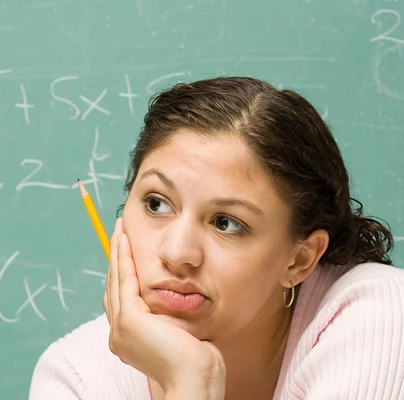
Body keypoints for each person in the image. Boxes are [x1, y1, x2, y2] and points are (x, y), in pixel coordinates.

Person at [28, 77, 404, 399]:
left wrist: (191, 383)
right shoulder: (75, 377)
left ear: (300, 259)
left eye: (226, 223)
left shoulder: (376, 316)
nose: (177, 253)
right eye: (157, 204)